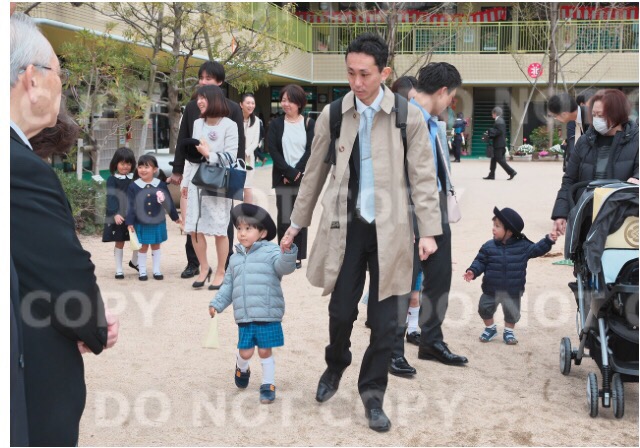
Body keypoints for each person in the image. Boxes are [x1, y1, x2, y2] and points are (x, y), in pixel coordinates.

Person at [280, 33, 442, 432]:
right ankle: (336, 363)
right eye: (350, 73)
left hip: (393, 231)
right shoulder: (334, 114)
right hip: (347, 227)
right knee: (340, 312)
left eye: (365, 74)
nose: (356, 82)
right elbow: (314, 173)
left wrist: (428, 231)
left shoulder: (408, 116)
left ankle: (372, 394)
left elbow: (423, 177)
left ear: (384, 72)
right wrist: (295, 224)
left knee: (386, 324)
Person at [10, 13, 119, 445]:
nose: (62, 85)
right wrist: (93, 325)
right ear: (32, 79)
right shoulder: (20, 168)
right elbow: (62, 272)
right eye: (59, 72)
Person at [406, 62, 468, 367]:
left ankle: (430, 340)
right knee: (403, 279)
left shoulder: (432, 122)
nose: (450, 102)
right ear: (443, 91)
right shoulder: (406, 119)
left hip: (436, 206)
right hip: (409, 209)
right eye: (451, 96)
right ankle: (391, 349)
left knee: (439, 276)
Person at [209, 203, 297, 404]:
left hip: (268, 312)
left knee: (265, 350)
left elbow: (285, 267)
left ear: (262, 232)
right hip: (245, 315)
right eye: (239, 228)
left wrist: (287, 252)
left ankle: (268, 384)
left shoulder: (272, 252)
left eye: (248, 228)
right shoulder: (235, 258)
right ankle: (242, 367)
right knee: (246, 352)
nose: (242, 233)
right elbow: (228, 286)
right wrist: (217, 303)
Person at [169, 60, 245, 280]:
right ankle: (195, 263)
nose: (203, 82)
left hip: (221, 174)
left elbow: (236, 147)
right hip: (197, 174)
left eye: (208, 78)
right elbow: (184, 141)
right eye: (201, 78)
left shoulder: (232, 109)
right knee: (193, 221)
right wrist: (179, 172)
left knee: (223, 222)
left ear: (219, 82)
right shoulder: (193, 107)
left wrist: (237, 175)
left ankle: (226, 264)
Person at [551, 89, 639, 236]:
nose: (597, 119)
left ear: (618, 114)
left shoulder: (636, 141)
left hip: (623, 224)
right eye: (594, 115)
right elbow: (569, 180)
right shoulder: (584, 142)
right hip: (586, 220)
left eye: (601, 115)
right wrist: (560, 213)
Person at [463, 207, 557, 345]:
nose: (493, 229)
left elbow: (537, 249)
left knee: (512, 313)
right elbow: (480, 261)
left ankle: (509, 331)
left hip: (513, 290)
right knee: (484, 308)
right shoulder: (488, 246)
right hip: (491, 289)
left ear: (509, 231)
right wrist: (473, 271)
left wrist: (548, 240)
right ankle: (490, 328)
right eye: (494, 225)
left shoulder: (523, 246)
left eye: (497, 226)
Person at [182, 85, 239, 289]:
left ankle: (221, 271)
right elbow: (191, 156)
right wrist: (185, 182)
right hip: (196, 182)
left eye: (203, 98)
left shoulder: (229, 125)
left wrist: (209, 155)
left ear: (215, 99)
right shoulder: (197, 123)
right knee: (194, 228)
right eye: (198, 98)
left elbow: (231, 157)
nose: (199, 101)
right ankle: (204, 268)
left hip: (218, 184)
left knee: (219, 230)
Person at [268, 84, 315, 270]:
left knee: (300, 216)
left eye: (290, 100)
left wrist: (297, 172)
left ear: (299, 103)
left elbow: (311, 150)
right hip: (283, 177)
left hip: (302, 177)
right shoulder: (276, 124)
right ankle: (285, 253)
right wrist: (287, 172)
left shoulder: (309, 123)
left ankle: (298, 254)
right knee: (284, 217)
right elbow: (273, 150)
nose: (285, 104)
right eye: (283, 100)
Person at [126, 154, 180, 281]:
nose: (143, 170)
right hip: (141, 222)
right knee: (143, 246)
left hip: (157, 221)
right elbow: (130, 206)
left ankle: (156, 270)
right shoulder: (133, 186)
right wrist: (130, 222)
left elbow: (168, 202)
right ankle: (142, 271)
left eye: (147, 167)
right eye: (140, 167)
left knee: (156, 245)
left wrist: (175, 217)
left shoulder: (160, 185)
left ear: (155, 169)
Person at [102, 147, 139, 279]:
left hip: (134, 214)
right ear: (116, 163)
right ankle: (119, 269)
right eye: (122, 163)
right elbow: (111, 197)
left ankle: (135, 261)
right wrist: (115, 214)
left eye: (128, 163)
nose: (125, 166)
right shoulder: (112, 179)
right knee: (120, 241)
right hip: (119, 215)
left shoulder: (135, 178)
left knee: (138, 239)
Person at [547, 92, 591, 169]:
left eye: (555, 116)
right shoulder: (575, 119)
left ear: (564, 114)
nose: (556, 119)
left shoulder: (591, 117)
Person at [240, 92, 263, 204]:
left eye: (252, 103)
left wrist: (245, 152)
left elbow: (255, 141)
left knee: (247, 185)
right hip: (234, 157)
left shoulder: (256, 121)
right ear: (241, 104)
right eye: (248, 103)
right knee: (232, 185)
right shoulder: (235, 118)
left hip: (248, 158)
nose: (251, 105)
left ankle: (247, 211)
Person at [483, 106, 517, 180]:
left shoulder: (499, 121)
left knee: (499, 159)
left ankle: (512, 172)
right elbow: (498, 131)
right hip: (499, 143)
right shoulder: (499, 120)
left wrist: (490, 131)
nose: (492, 115)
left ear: (495, 113)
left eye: (492, 113)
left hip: (499, 144)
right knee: (493, 159)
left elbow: (499, 132)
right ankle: (491, 174)